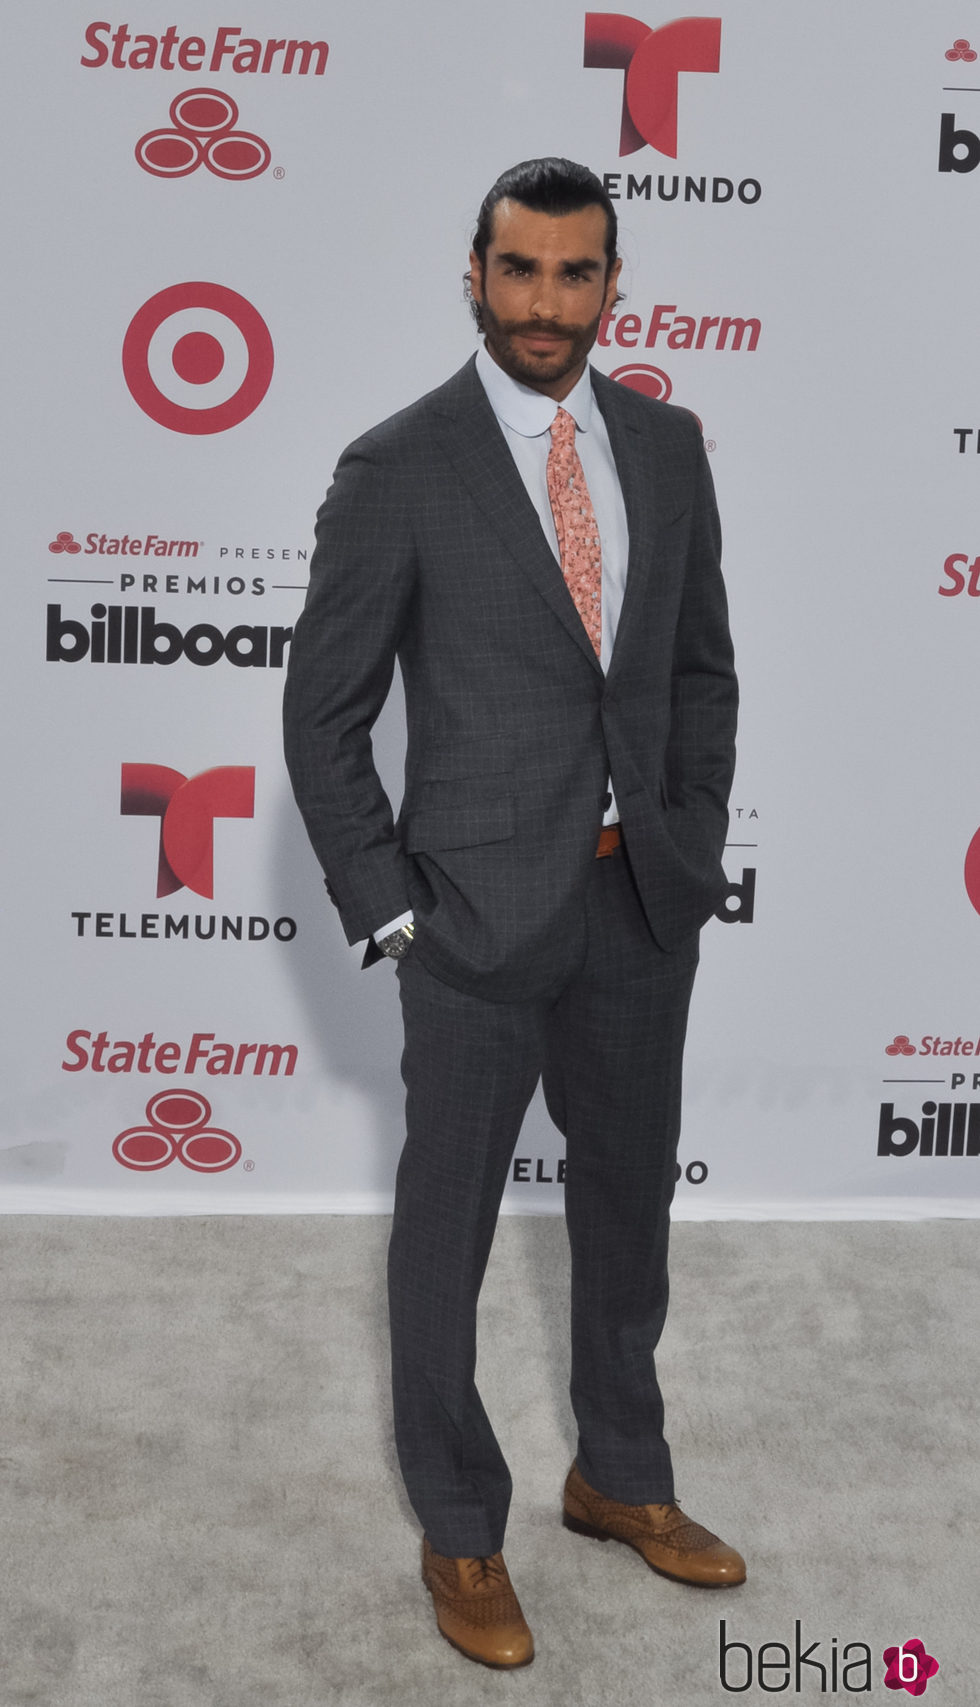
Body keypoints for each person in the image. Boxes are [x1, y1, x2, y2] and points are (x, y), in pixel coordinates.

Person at [283, 156, 743, 1670]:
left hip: (637, 908)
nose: (547, 303)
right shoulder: (397, 466)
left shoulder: (671, 451)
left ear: (615, 287)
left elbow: (695, 672)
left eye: (576, 273)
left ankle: (620, 1475)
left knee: (629, 1212)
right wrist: (391, 912)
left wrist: (682, 831)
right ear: (473, 275)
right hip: (471, 925)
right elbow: (324, 720)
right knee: (447, 1236)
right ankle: (462, 1530)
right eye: (520, 270)